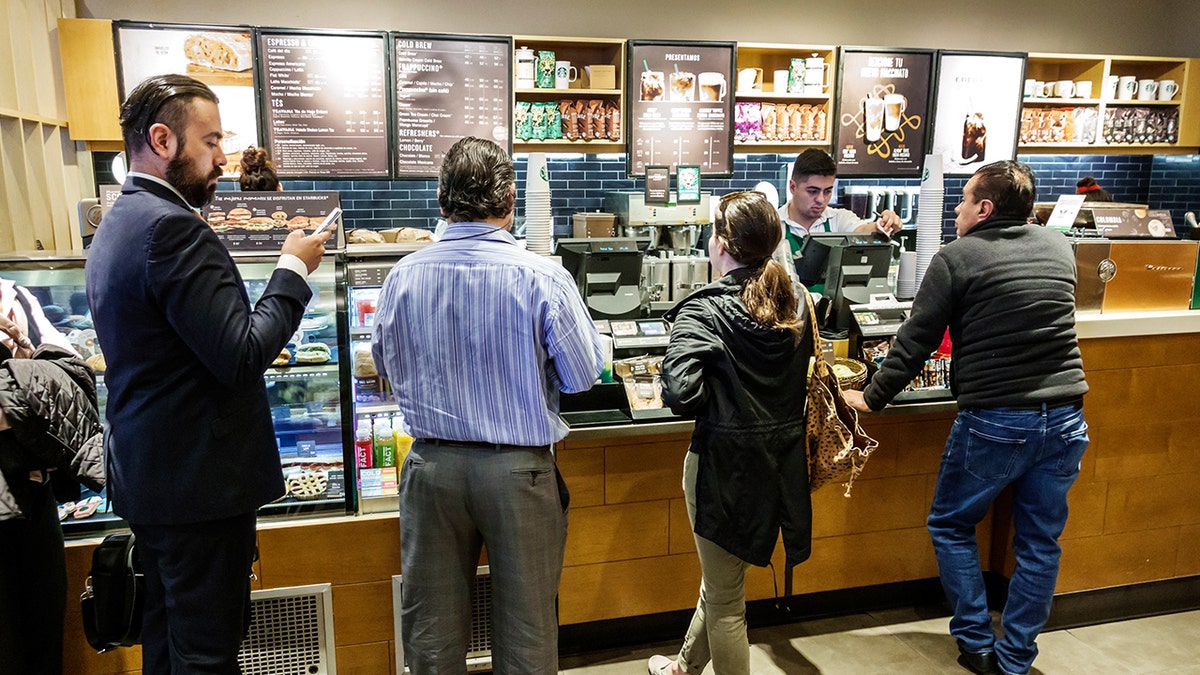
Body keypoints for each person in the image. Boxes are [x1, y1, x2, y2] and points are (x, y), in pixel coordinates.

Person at [85, 73, 331, 674]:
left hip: (154, 480)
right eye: (211, 141)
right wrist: (292, 271)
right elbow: (242, 354)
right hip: (199, 490)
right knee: (207, 655)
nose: (225, 158)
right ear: (163, 140)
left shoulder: (121, 220)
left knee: (169, 648)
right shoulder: (173, 229)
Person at [843, 160, 1089, 675]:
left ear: (985, 208)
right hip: (1066, 418)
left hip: (997, 419)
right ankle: (1016, 658)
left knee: (952, 525)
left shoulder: (956, 258)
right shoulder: (1059, 246)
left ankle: (977, 642)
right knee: (1040, 544)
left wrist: (872, 396)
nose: (954, 208)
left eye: (963, 200)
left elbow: (916, 340)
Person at [371, 136, 602, 675]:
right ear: (510, 201)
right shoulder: (544, 275)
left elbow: (383, 363)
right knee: (526, 637)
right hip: (519, 472)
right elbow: (583, 375)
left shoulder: (404, 274)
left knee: (430, 639)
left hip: (431, 469)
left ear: (440, 200)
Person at [648, 191, 814, 675]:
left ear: (721, 243)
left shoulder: (703, 311)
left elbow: (683, 394)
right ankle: (682, 666)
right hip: (781, 466)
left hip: (723, 468)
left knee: (726, 602)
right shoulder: (797, 300)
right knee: (722, 581)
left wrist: (713, 392)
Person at [0, 289, 104, 675]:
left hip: (32, 491)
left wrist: (29, 367)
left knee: (44, 626)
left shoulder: (19, 297)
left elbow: (72, 373)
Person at [771, 148, 903, 282]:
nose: (821, 199)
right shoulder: (772, 224)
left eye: (827, 191)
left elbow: (862, 232)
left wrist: (881, 225)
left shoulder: (839, 219)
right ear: (793, 187)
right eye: (812, 191)